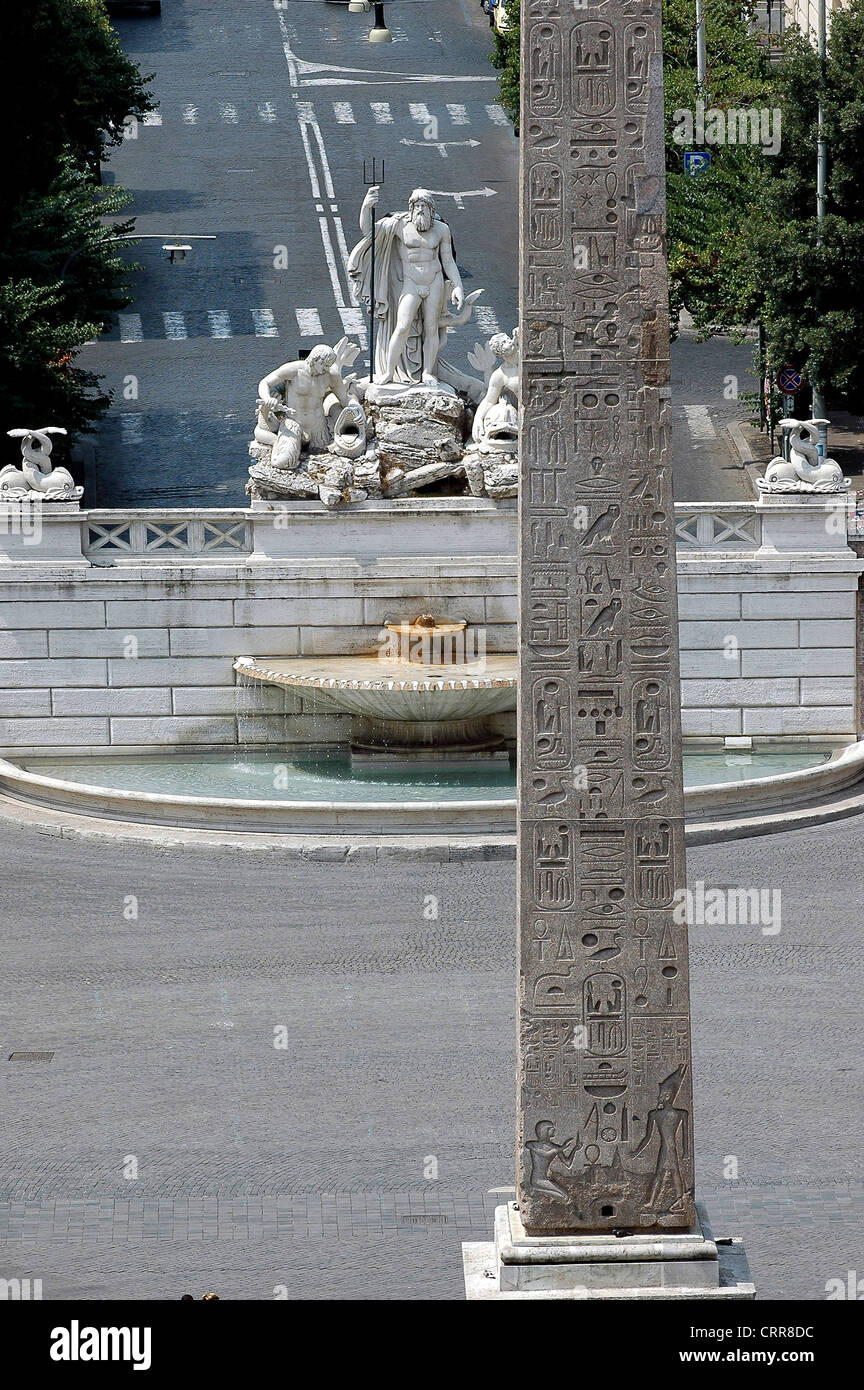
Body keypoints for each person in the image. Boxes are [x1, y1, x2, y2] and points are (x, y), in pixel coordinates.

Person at [348, 187, 464, 386]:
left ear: (431, 209)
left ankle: (428, 372)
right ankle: (388, 372)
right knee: (401, 327)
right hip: (411, 283)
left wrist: (457, 286)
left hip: (434, 281)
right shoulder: (399, 226)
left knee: (431, 328)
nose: (420, 209)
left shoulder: (441, 229)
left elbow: (448, 261)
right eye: (416, 206)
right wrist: (366, 206)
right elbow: (369, 231)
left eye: (424, 206)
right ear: (411, 208)